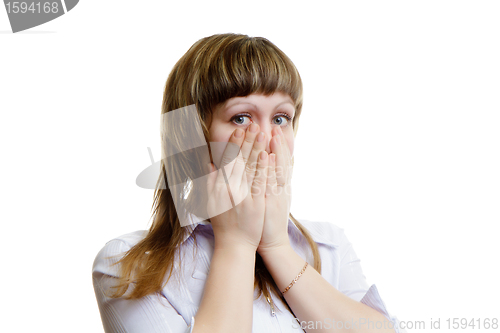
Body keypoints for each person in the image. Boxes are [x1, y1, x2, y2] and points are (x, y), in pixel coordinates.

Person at [92, 33, 402, 333]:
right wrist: (236, 244)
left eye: (281, 118)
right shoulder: (127, 266)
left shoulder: (330, 246)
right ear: (191, 136)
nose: (267, 139)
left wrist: (277, 246)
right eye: (241, 118)